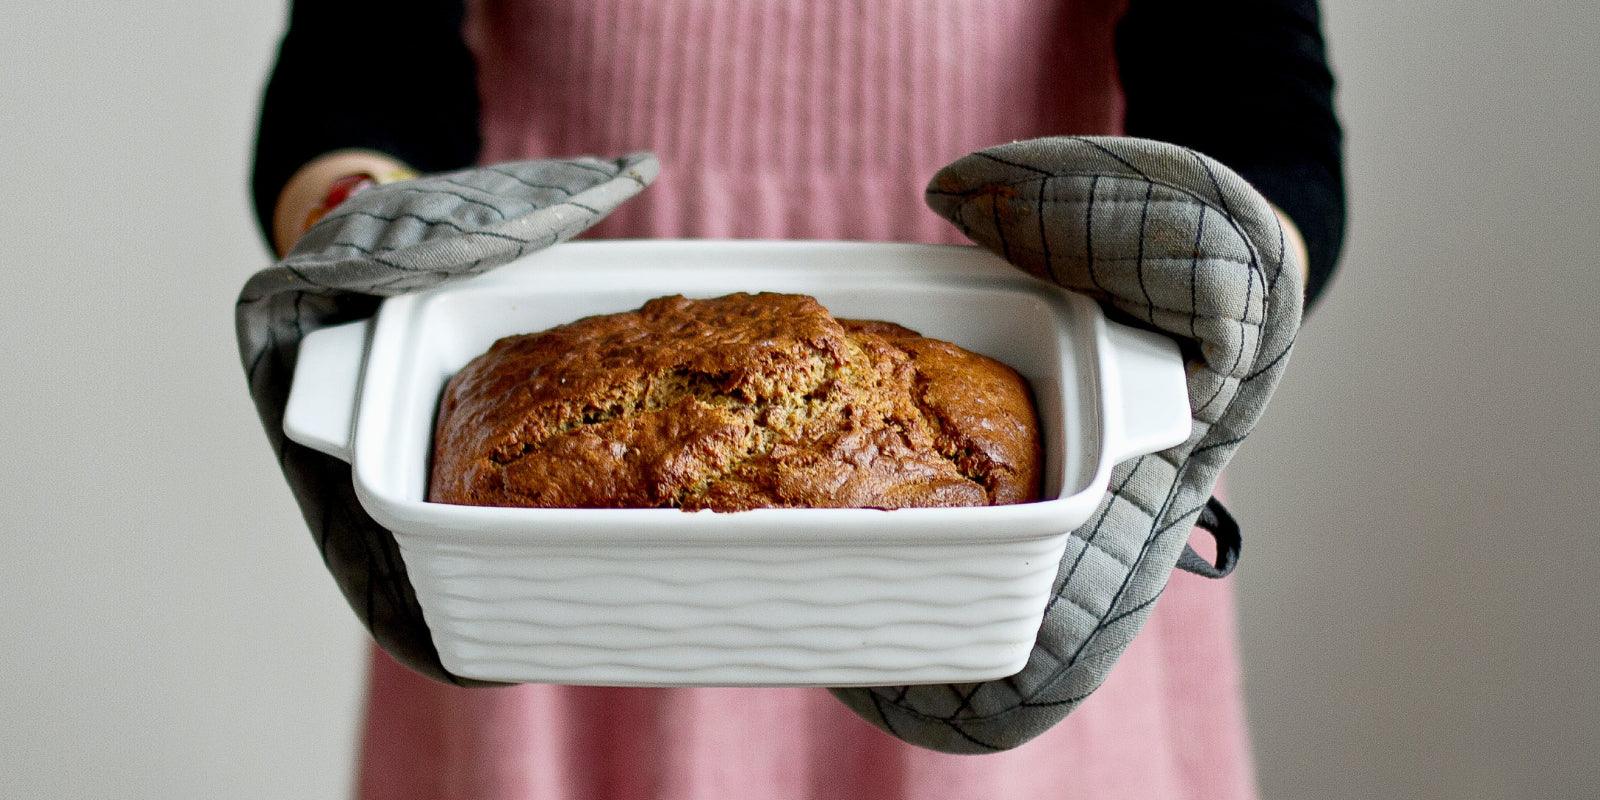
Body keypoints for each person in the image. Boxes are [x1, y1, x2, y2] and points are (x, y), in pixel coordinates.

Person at [253, 1, 1344, 797]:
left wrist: (1217, 291)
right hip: (540, 538)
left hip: (1048, 523)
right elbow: (359, 64)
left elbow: (1256, 104)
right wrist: (367, 234)